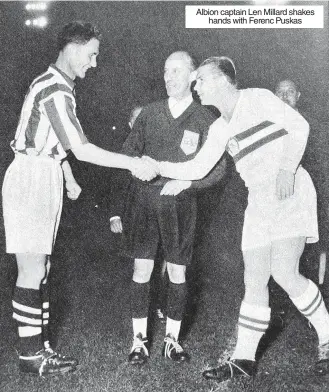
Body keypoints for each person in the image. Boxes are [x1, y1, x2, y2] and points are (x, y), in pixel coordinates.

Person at [144, 56, 329, 381]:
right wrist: (158, 166)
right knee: (253, 279)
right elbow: (197, 167)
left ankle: (327, 339)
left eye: (200, 80)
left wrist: (287, 168)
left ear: (220, 80)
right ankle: (244, 358)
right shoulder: (220, 127)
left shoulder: (258, 98)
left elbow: (300, 127)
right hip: (259, 200)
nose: (196, 86)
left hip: (290, 188)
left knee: (285, 272)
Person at [2, 21, 157, 377]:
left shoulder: (58, 85)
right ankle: (30, 357)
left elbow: (55, 144)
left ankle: (39, 349)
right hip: (31, 177)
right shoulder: (55, 87)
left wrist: (67, 176)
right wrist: (133, 163)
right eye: (92, 54)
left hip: (45, 173)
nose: (94, 63)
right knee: (32, 269)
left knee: (43, 269)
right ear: (74, 47)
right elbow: (81, 148)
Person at [108, 51, 227, 365]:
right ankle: (138, 341)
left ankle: (172, 340)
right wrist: (138, 166)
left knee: (177, 271)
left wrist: (189, 183)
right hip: (144, 202)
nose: (168, 77)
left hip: (180, 204)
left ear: (191, 77)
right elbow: (128, 154)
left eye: (176, 71)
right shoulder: (149, 113)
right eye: (165, 71)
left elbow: (219, 170)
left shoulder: (206, 118)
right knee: (142, 269)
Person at [110, 106, 168, 323]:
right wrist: (115, 215)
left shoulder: (159, 146)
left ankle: (158, 306)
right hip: (135, 213)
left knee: (162, 264)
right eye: (136, 118)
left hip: (161, 213)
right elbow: (115, 183)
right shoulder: (124, 150)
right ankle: (141, 313)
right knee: (141, 265)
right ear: (129, 123)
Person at [275, 79, 329, 286]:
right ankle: (277, 313)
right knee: (277, 254)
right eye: (280, 92)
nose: (285, 95)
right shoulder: (267, 126)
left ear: (298, 96)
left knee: (308, 253)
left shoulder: (312, 127)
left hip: (306, 198)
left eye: (290, 91)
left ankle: (311, 308)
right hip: (278, 199)